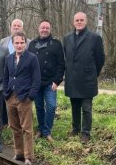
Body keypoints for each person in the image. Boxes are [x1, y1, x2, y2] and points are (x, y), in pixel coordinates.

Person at [63, 12, 105, 144]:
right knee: (74, 107)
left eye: (82, 20)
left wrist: (93, 73)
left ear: (86, 22)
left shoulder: (94, 38)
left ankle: (86, 133)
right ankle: (75, 129)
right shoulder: (67, 38)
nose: (79, 22)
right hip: (72, 79)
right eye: (77, 20)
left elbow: (100, 59)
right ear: (73, 22)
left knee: (86, 108)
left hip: (87, 80)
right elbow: (66, 57)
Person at [3, 31, 41, 165]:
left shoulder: (32, 58)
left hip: (24, 97)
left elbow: (37, 80)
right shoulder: (9, 58)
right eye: (16, 43)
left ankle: (28, 156)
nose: (19, 45)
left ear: (25, 43)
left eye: (21, 43)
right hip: (10, 97)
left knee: (27, 128)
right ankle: (18, 153)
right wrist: (5, 92)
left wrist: (30, 96)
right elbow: (6, 76)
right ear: (13, 44)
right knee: (14, 127)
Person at [28, 20, 65, 142]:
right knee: (38, 107)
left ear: (50, 29)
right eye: (42, 27)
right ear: (38, 29)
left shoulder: (56, 44)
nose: (44, 30)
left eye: (47, 28)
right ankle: (40, 128)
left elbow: (61, 64)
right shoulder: (32, 44)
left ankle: (47, 131)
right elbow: (28, 63)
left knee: (51, 106)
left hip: (51, 82)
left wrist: (57, 81)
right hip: (36, 82)